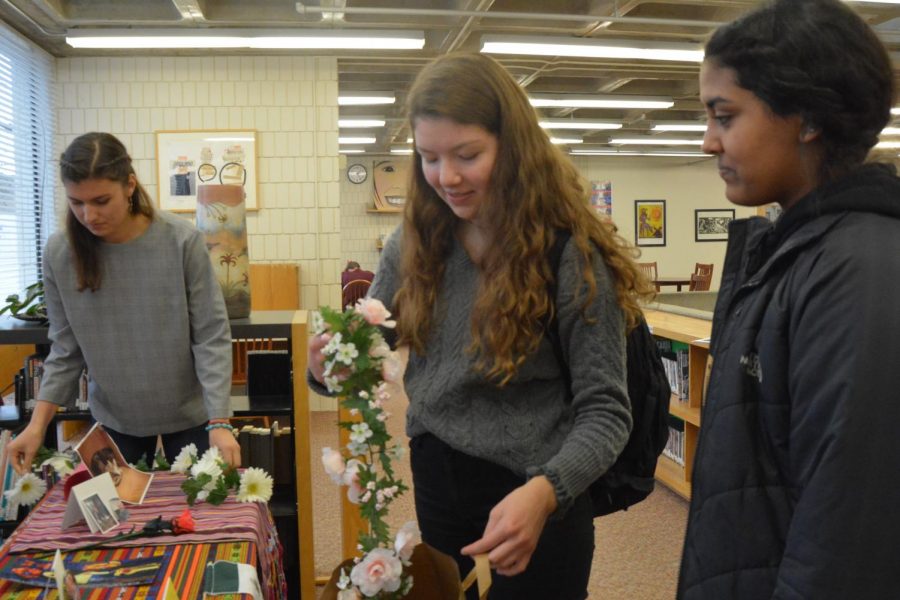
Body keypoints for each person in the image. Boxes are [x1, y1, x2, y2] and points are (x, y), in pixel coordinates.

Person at [310, 53, 653, 600]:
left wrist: (547, 491)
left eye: (467, 155)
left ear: (513, 148)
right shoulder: (414, 243)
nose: (446, 177)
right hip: (439, 480)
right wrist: (326, 363)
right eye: (428, 157)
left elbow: (607, 409)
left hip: (537, 490)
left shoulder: (568, 252)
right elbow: (365, 352)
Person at [679, 1, 900, 598]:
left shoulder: (858, 271)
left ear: (806, 119)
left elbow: (847, 534)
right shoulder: (793, 251)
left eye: (725, 116)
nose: (707, 142)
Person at [6, 132, 240, 473]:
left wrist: (220, 421)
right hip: (116, 419)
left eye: (101, 200)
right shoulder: (60, 253)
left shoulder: (180, 240)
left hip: (193, 414)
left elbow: (210, 336)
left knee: (202, 517)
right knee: (121, 522)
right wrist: (36, 425)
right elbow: (65, 347)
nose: (89, 215)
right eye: (77, 202)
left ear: (130, 185)